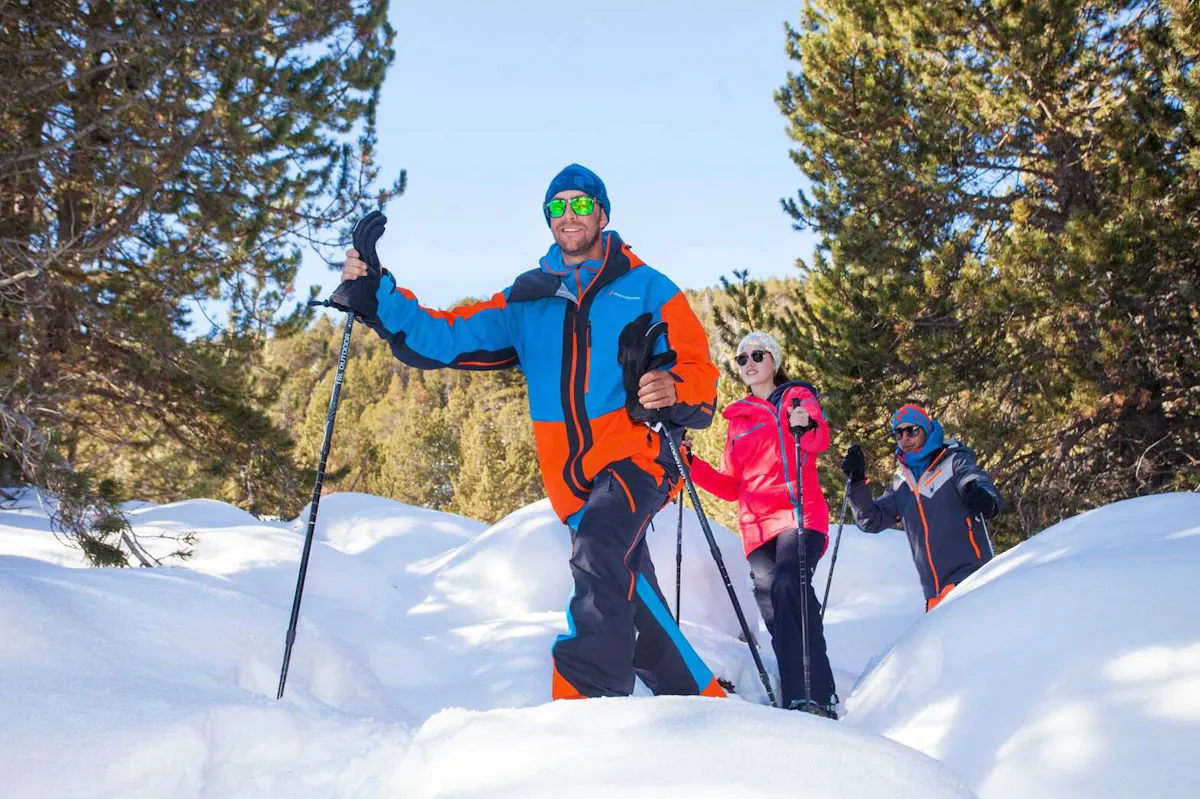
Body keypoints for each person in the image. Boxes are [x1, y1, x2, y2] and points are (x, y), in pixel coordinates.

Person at [334, 164, 727, 700]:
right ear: (548, 220)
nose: (570, 215)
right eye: (558, 206)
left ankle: (585, 702)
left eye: (582, 205)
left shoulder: (648, 287)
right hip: (571, 480)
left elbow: (699, 371)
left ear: (603, 214)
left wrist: (673, 387)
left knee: (598, 549)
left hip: (637, 455)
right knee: (632, 595)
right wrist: (376, 294)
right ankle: (701, 703)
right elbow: (443, 336)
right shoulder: (527, 299)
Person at [680, 331, 838, 717]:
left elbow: (819, 441)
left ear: (775, 361)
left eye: (758, 355)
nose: (749, 363)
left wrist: (805, 422)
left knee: (788, 586)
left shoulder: (797, 398)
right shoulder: (738, 420)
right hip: (756, 530)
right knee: (778, 610)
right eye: (742, 359)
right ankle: (799, 696)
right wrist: (690, 465)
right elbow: (731, 486)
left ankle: (816, 695)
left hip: (798, 515)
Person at [840, 403, 1003, 611]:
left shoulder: (953, 462)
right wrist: (857, 483)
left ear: (925, 430)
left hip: (972, 581)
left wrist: (985, 498)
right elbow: (870, 520)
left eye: (912, 430)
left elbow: (977, 482)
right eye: (898, 433)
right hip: (935, 596)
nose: (905, 438)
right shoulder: (902, 482)